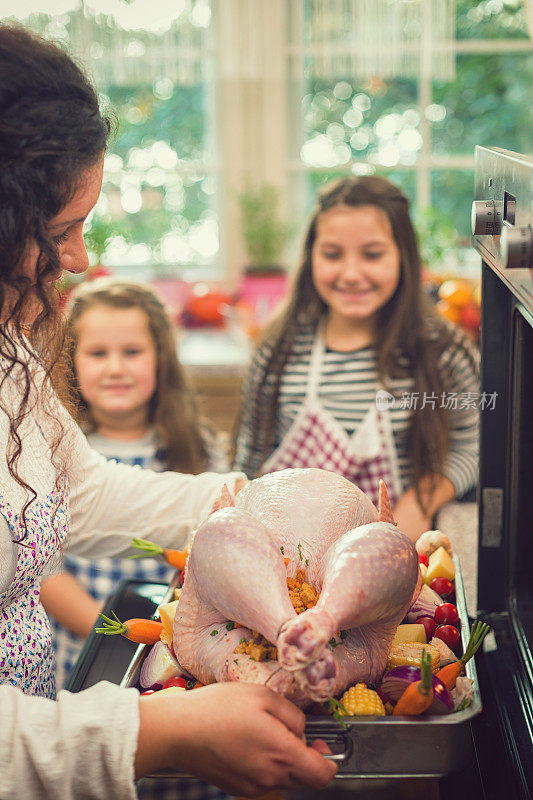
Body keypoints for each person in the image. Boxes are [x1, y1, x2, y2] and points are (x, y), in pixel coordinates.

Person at [0, 24, 336, 800]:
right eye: (59, 233)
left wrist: (266, 504)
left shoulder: (8, 348)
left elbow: (81, 493)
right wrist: (164, 733)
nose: (81, 258)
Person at [40, 278, 233, 800]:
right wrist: (118, 633)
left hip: (179, 648)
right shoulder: (53, 457)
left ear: (161, 359)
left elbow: (213, 552)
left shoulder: (198, 450)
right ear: (69, 361)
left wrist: (170, 634)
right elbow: (42, 572)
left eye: (132, 351)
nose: (116, 366)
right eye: (97, 352)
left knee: (185, 761)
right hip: (90, 644)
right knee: (107, 761)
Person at [233, 175, 479, 543]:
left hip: (398, 544)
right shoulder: (278, 352)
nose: (350, 274)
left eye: (373, 254)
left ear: (404, 257)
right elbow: (250, 461)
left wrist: (420, 503)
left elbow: (472, 446)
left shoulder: (440, 350)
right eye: (332, 254)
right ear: (311, 256)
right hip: (289, 556)